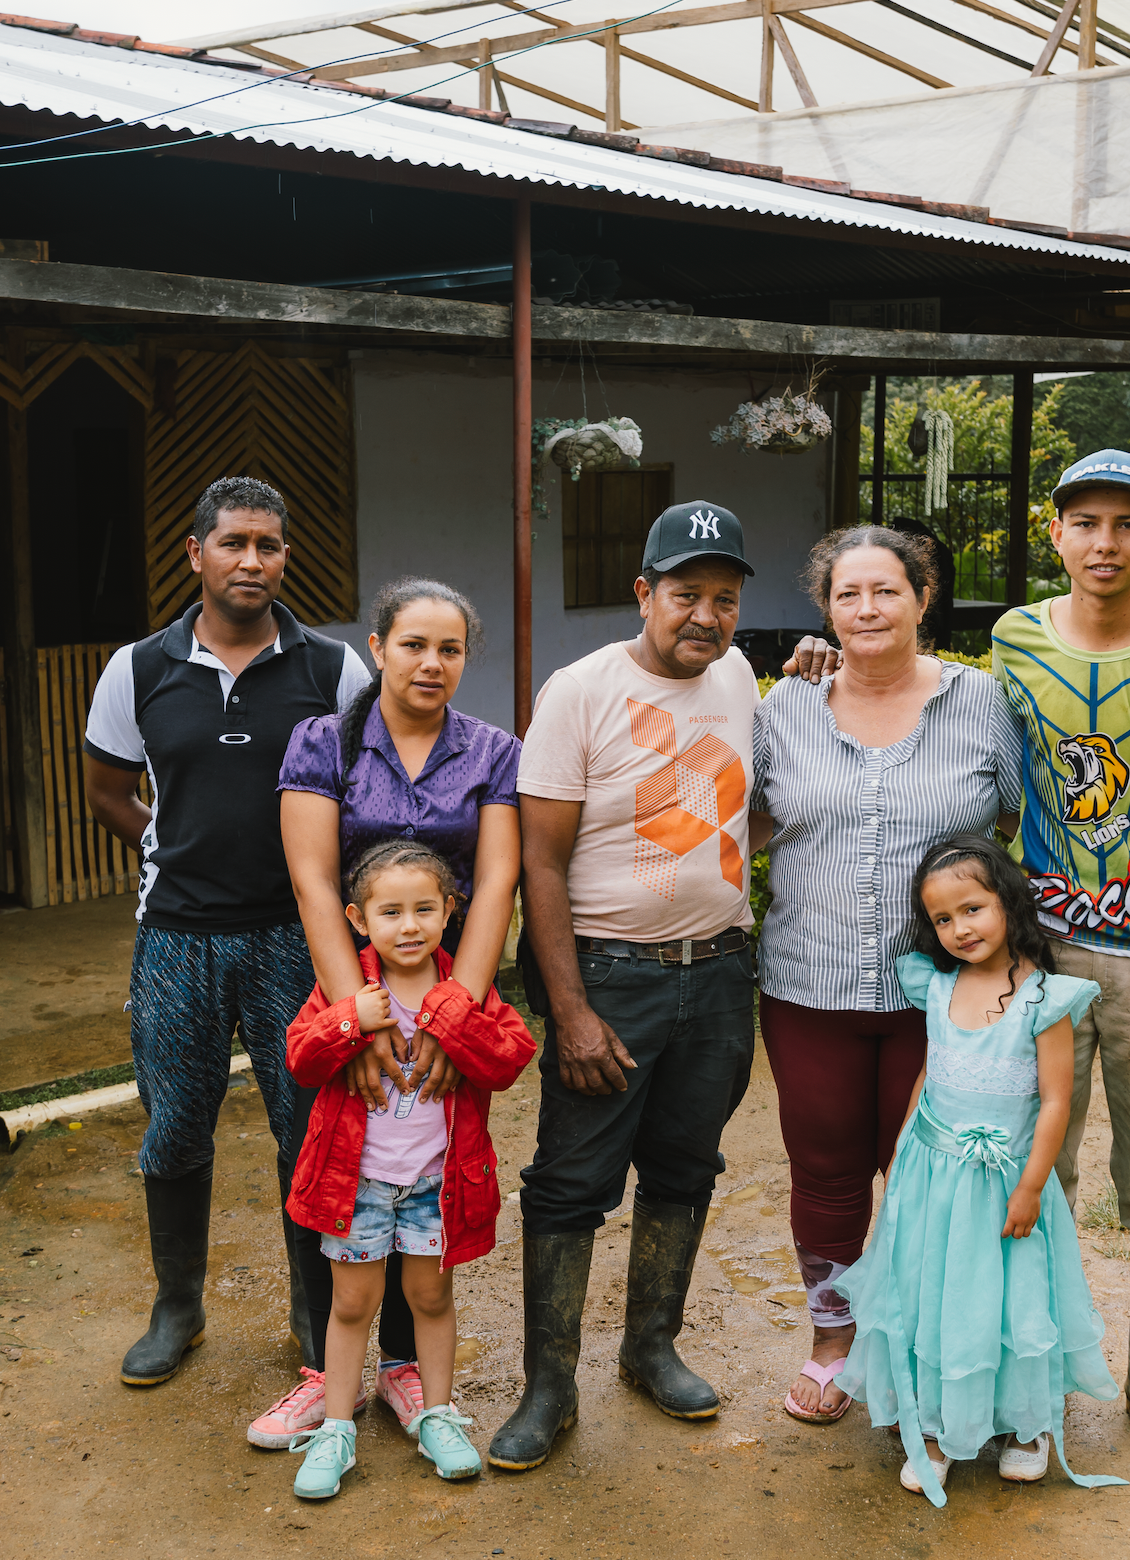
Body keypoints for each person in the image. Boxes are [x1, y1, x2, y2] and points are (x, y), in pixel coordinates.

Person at [788, 449, 1130, 1472]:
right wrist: (825, 655)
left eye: (1127, 524)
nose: (1104, 543)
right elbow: (931, 693)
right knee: (1030, 1176)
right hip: (1032, 957)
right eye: (1084, 521)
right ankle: (1016, 1388)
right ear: (1054, 533)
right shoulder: (1016, 637)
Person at [81, 475, 371, 1393]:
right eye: (235, 543)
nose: (253, 561)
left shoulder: (333, 672)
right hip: (177, 937)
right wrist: (175, 849)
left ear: (286, 557)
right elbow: (106, 791)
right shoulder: (139, 669)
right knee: (175, 1125)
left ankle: (311, 1309)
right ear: (196, 554)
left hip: (297, 935)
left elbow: (369, 793)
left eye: (270, 545)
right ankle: (178, 1306)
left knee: (307, 1126)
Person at [493, 500, 762, 1472]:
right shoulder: (578, 693)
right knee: (569, 1186)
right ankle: (547, 1387)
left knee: (685, 1170)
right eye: (685, 593)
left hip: (720, 975)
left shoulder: (738, 677)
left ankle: (651, 1348)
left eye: (724, 598)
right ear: (642, 592)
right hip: (609, 979)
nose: (705, 615)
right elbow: (542, 865)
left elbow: (749, 812)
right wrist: (568, 1012)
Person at [746, 526, 1025, 1425]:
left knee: (930, 1174)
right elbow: (741, 825)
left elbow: (1014, 825)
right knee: (824, 1168)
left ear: (923, 597)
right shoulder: (782, 709)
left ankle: (925, 1346)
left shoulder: (982, 703)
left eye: (886, 591)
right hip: (808, 984)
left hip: (942, 996)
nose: (867, 610)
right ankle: (834, 1343)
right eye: (847, 595)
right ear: (825, 610)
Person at [265, 578, 521, 1445]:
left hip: (443, 982)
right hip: (344, 981)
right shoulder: (322, 743)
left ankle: (409, 1376)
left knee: (426, 1172)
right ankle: (321, 1372)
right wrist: (357, 1019)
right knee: (330, 1168)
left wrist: (455, 1012)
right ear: (377, 649)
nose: (431, 663)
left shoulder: (492, 750)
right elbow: (313, 881)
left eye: (449, 649)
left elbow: (494, 883)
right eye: (414, 644)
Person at [835, 835, 1125, 1506]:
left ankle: (1025, 1426)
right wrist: (903, 1156)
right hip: (934, 1182)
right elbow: (928, 1081)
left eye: (972, 909)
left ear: (1007, 904)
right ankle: (936, 1428)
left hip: (1004, 1185)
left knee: (1011, 1301)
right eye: (942, 919)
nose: (959, 929)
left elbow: (1057, 1101)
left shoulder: (1045, 998)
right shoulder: (937, 987)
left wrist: (1029, 1187)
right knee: (939, 1299)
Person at [280, 840, 536, 1499]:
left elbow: (510, 1057)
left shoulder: (463, 989)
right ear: (359, 920)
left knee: (431, 1298)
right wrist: (347, 1024)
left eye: (425, 908)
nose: (410, 925)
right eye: (390, 911)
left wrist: (454, 1024)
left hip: (434, 1187)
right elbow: (301, 1059)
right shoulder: (350, 990)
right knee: (351, 1304)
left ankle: (438, 1416)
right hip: (356, 1187)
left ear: (451, 911)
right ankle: (337, 1427)